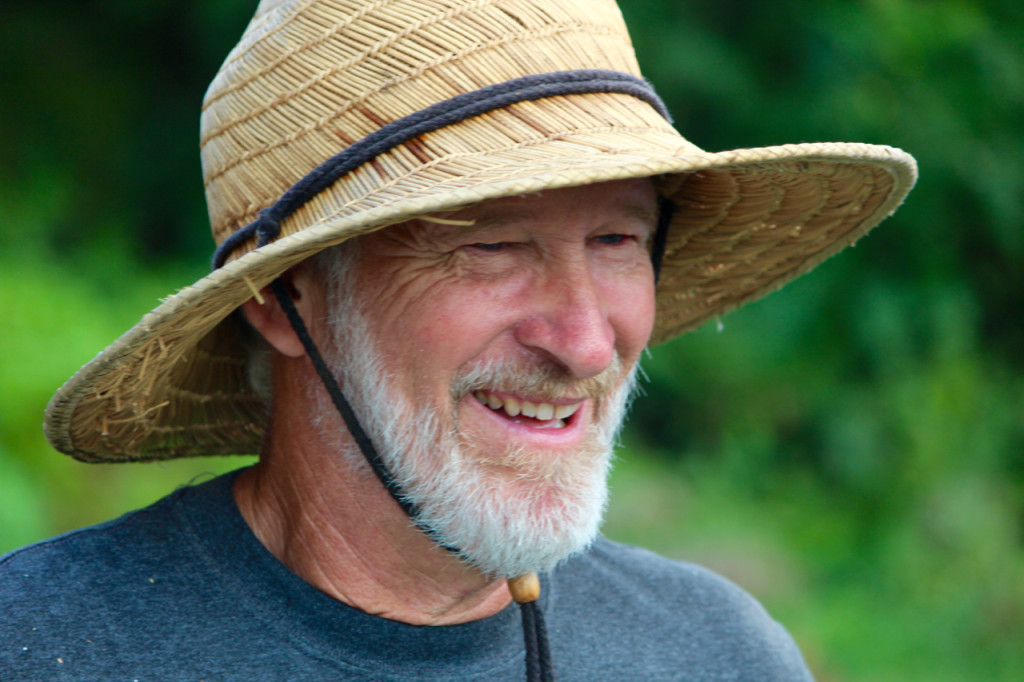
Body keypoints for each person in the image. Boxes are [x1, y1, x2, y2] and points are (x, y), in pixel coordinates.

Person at [1, 0, 916, 679]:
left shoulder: (717, 655)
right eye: (491, 247)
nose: (584, 344)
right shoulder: (47, 646)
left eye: (616, 239)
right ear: (283, 297)